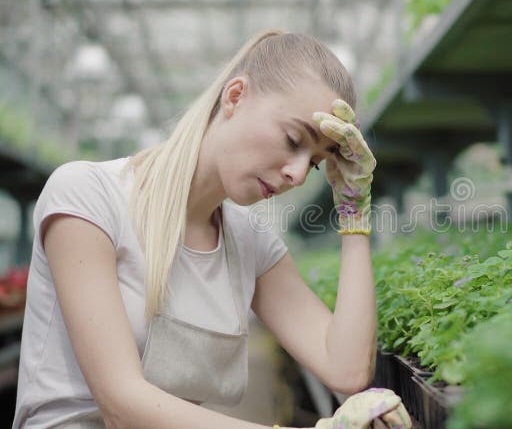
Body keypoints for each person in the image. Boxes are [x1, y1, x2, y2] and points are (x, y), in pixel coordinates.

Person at [12, 29, 411, 429]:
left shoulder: (248, 243)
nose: (297, 174)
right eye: (293, 140)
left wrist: (355, 214)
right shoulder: (89, 196)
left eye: (315, 163)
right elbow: (121, 403)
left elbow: (345, 369)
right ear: (235, 96)